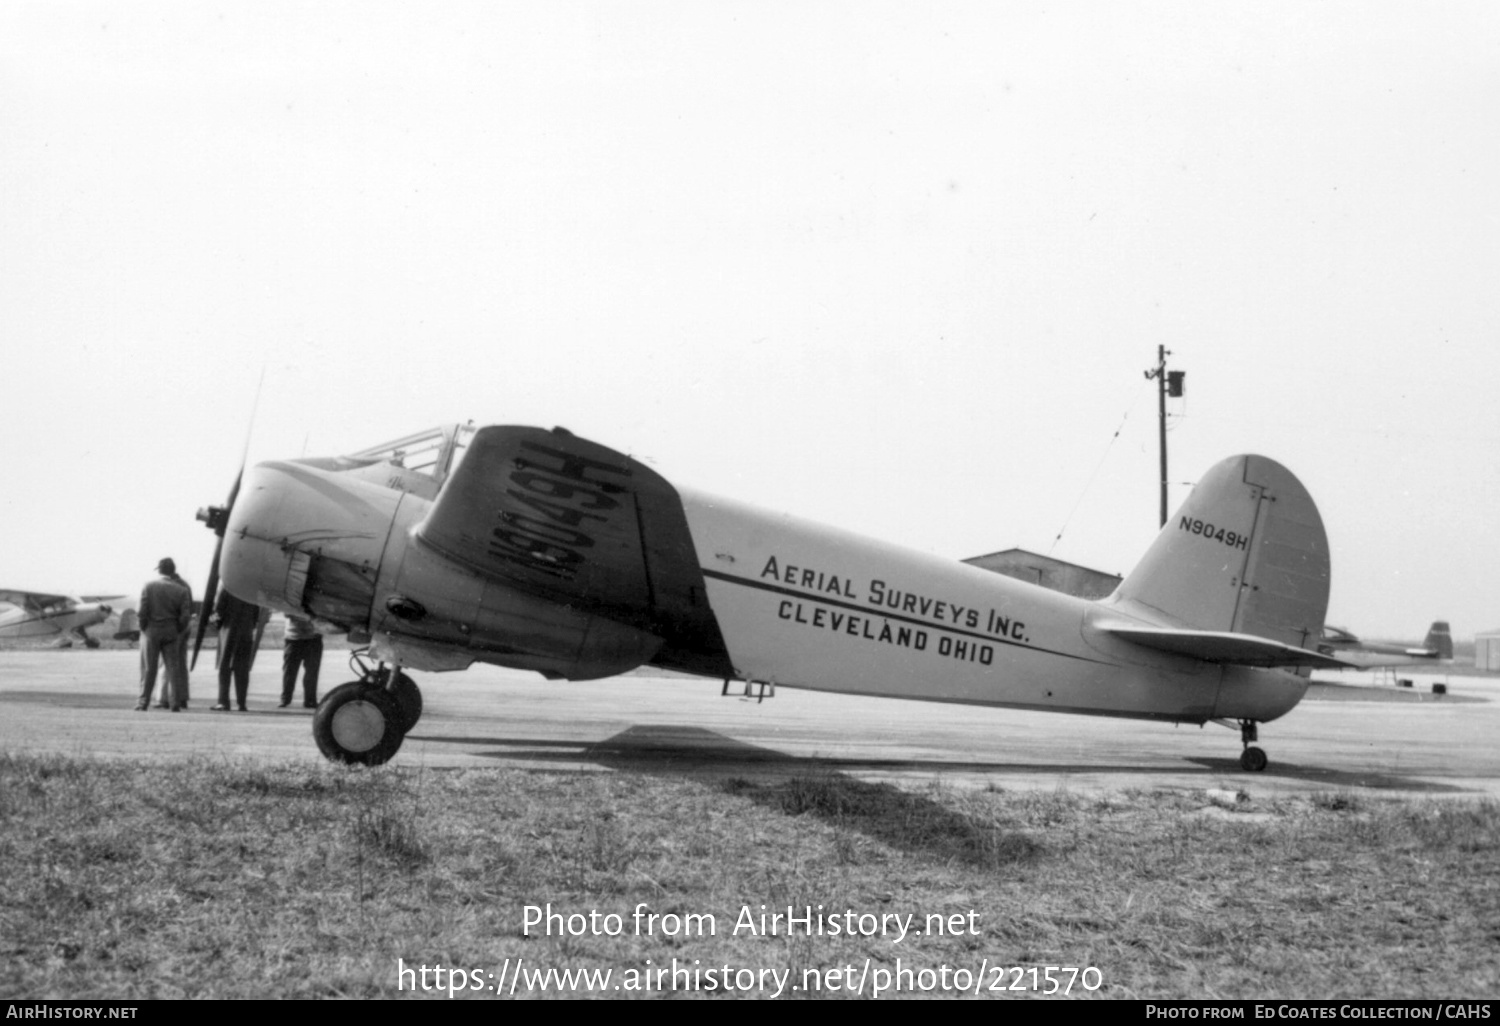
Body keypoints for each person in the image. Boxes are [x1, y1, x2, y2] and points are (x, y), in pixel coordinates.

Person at [136, 558, 193, 712]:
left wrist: (144, 628)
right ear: (173, 570)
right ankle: (175, 703)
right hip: (171, 631)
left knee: (149, 668)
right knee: (174, 668)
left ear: (159, 570)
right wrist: (177, 629)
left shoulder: (149, 586)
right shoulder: (181, 590)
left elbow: (141, 611)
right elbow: (185, 616)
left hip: (151, 631)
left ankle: (143, 702)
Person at [212, 591, 265, 711]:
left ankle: (223, 701)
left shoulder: (227, 589)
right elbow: (256, 615)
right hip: (246, 633)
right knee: (242, 670)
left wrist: (214, 622)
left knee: (224, 668)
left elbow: (218, 613)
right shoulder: (251, 591)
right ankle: (242, 703)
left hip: (228, 632)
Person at [281, 614, 322, 708]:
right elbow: (287, 613)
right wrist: (310, 616)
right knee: (289, 671)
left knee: (312, 672)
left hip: (313, 637)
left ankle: (310, 700)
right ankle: (285, 699)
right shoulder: (292, 599)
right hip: (293, 637)